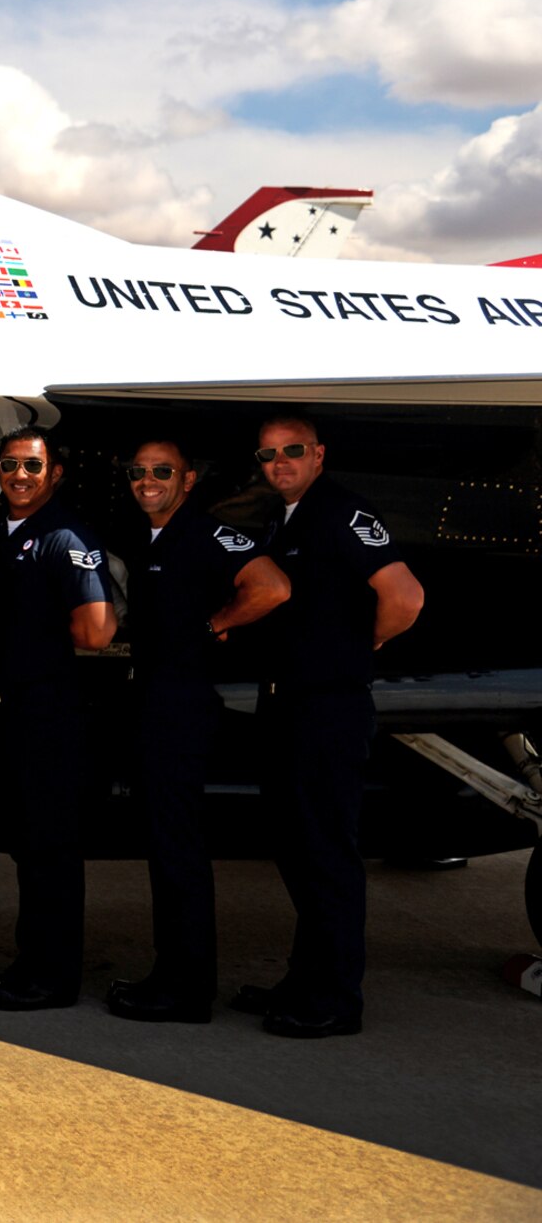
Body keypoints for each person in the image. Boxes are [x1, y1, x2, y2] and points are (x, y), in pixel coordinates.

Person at [237, 415, 423, 1038]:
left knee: (326, 855)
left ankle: (337, 999)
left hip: (327, 708)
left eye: (292, 451)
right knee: (296, 850)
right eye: (268, 455)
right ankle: (303, 979)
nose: (279, 463)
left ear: (318, 455)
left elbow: (406, 596)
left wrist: (359, 646)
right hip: (287, 704)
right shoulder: (285, 516)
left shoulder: (342, 512)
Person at [107, 439, 289, 1024]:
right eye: (139, 472)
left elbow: (272, 587)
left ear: (187, 480)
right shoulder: (150, 538)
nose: (148, 481)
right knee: (165, 847)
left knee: (179, 849)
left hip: (182, 708)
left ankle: (186, 990)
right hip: (154, 700)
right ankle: (174, 975)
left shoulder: (206, 535)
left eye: (162, 472)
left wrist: (215, 624)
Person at [0, 425, 117, 1011]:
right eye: (9, 465)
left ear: (55, 473)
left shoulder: (64, 534)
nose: (18, 476)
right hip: (10, 712)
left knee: (51, 850)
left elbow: (98, 630)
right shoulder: (0, 528)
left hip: (49, 713)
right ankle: (29, 962)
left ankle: (52, 978)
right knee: (27, 846)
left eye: (31, 466)